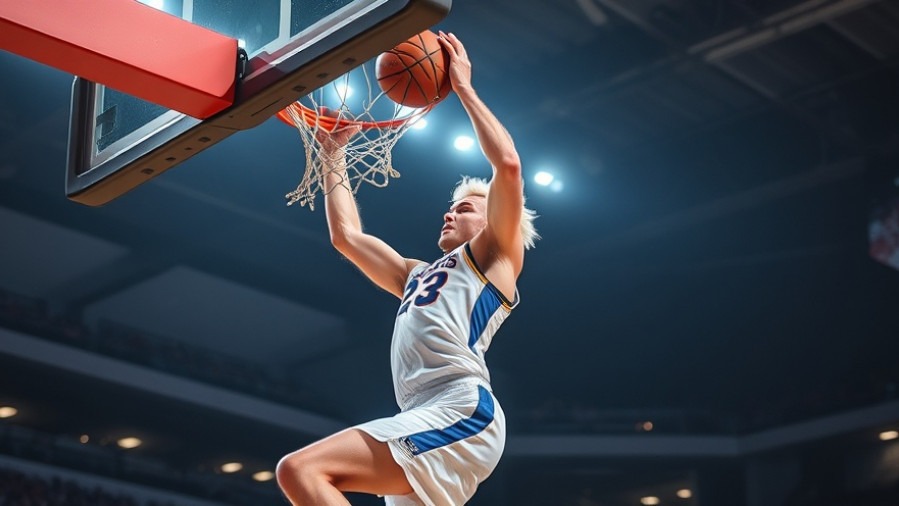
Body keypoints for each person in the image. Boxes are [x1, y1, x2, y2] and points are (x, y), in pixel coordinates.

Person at [275, 31, 539, 506]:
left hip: (459, 406)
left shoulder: (496, 256)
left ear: (494, 220)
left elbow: (509, 166)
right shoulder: (416, 274)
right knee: (303, 474)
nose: (450, 212)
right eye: (450, 206)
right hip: (422, 411)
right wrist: (334, 153)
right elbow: (347, 239)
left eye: (464, 208)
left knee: (301, 470)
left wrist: (462, 87)